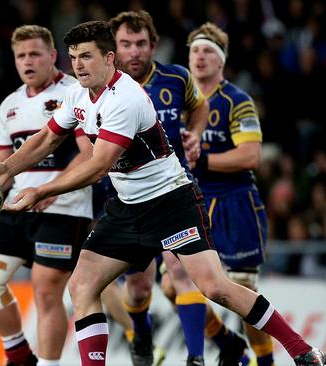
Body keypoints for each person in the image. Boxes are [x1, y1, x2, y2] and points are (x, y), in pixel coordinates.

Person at [0, 20, 326, 366]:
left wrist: (42, 189)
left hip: (170, 202)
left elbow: (99, 165)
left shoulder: (126, 97)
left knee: (215, 287)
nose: (78, 65)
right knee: (82, 285)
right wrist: (7, 168)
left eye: (87, 56)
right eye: (73, 58)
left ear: (109, 58)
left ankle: (302, 350)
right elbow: (48, 137)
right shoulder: (77, 94)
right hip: (127, 206)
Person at [0, 25, 93, 366]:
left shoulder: (74, 92)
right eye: (21, 55)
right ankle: (19, 354)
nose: (28, 61)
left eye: (35, 53)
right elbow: (3, 164)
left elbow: (90, 153)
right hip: (18, 205)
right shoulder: (9, 105)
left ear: (53, 56)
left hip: (64, 207)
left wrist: (53, 188)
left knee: (46, 290)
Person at [109, 10, 212, 365]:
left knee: (182, 270)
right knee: (138, 288)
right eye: (126, 44)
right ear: (114, 49)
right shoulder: (103, 89)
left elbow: (200, 108)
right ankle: (141, 335)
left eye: (141, 44)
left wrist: (194, 134)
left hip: (173, 193)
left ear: (154, 45)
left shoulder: (176, 78)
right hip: (129, 200)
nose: (134, 52)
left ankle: (195, 357)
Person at [181, 22, 277, 366]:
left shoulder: (237, 101)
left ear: (221, 61)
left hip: (235, 202)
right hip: (192, 202)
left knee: (242, 290)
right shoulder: (179, 99)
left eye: (208, 51)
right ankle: (228, 344)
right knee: (174, 285)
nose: (200, 57)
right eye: (195, 51)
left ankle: (265, 361)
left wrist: (202, 157)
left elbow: (250, 156)